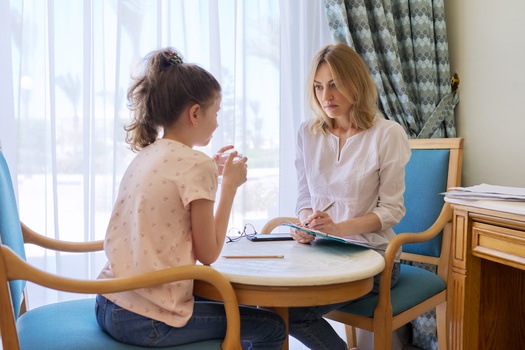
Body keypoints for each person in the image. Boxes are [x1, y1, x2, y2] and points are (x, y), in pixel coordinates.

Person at [95, 47, 286, 349]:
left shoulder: (148, 154)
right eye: (217, 111)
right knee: (272, 327)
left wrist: (217, 175)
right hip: (147, 321)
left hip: (108, 304)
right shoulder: (197, 165)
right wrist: (230, 188)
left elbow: (171, 193)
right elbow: (208, 254)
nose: (218, 122)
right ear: (195, 113)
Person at [287, 43, 411, 349]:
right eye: (318, 87)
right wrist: (306, 224)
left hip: (373, 258)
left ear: (356, 83)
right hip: (322, 253)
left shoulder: (387, 134)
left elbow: (392, 211)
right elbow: (304, 196)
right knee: (270, 306)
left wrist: (338, 228)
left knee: (290, 313)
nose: (325, 97)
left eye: (335, 85)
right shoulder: (308, 132)